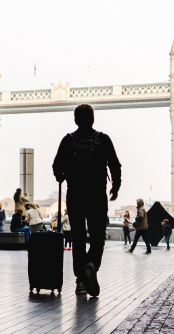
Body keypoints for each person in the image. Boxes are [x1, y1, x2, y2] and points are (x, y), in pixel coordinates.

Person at [53, 104, 122, 297]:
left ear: (75, 120)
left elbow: (57, 167)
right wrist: (115, 187)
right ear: (93, 119)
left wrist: (62, 175)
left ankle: (81, 281)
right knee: (98, 237)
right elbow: (115, 165)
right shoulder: (103, 139)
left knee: (78, 238)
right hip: (97, 196)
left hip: (75, 196)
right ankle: (91, 265)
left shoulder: (68, 140)